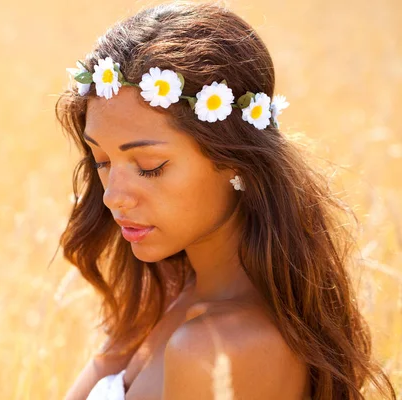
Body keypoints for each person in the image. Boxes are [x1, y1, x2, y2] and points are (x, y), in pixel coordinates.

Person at [55, 1, 396, 399]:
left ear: (236, 160)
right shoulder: (169, 290)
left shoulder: (214, 350)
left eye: (149, 166)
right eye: (102, 160)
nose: (113, 196)